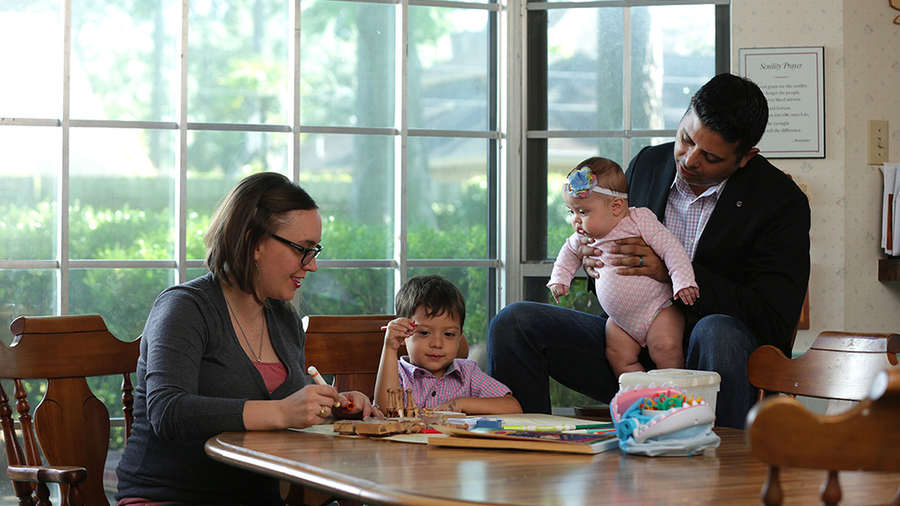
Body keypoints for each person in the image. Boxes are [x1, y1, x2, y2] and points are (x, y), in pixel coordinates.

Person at [487, 73, 810, 429]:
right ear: (684, 116)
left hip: (714, 359)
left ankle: (720, 468)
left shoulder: (781, 202)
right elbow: (609, 248)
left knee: (717, 330)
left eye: (711, 157)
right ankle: (528, 450)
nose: (689, 160)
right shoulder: (648, 164)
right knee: (514, 323)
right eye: (686, 139)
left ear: (745, 157)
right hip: (629, 351)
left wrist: (670, 272)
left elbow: (772, 321)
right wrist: (596, 264)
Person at [116, 172, 381, 506]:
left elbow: (287, 412)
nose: (311, 266)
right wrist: (284, 412)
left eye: (315, 250)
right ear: (253, 241)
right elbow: (168, 411)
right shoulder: (185, 307)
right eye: (303, 249)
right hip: (171, 497)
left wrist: (331, 410)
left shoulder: (283, 319)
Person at [548, 157, 699, 378]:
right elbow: (568, 253)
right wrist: (560, 279)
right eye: (572, 212)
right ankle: (642, 395)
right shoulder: (582, 236)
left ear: (617, 207)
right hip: (620, 320)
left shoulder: (639, 221)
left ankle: (673, 395)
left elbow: (671, 248)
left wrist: (683, 280)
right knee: (618, 356)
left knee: (665, 348)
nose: (575, 221)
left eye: (583, 212)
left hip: (658, 309)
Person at [374, 274, 522, 415]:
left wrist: (462, 404)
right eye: (424, 333)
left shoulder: (468, 374)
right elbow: (385, 412)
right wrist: (390, 348)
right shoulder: (397, 374)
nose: (437, 344)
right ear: (404, 335)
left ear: (459, 338)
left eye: (449, 334)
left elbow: (513, 406)